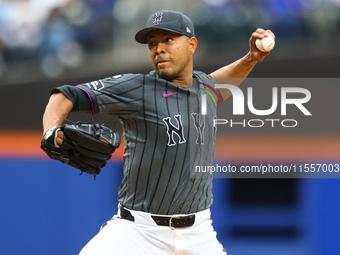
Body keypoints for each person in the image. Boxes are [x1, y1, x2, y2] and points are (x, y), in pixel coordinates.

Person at [42, 10, 275, 255]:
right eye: (153, 43)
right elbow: (64, 95)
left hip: (199, 233)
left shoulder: (205, 87)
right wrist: (50, 129)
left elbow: (220, 83)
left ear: (192, 45)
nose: (159, 49)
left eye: (168, 40)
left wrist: (251, 58)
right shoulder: (137, 88)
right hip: (138, 232)